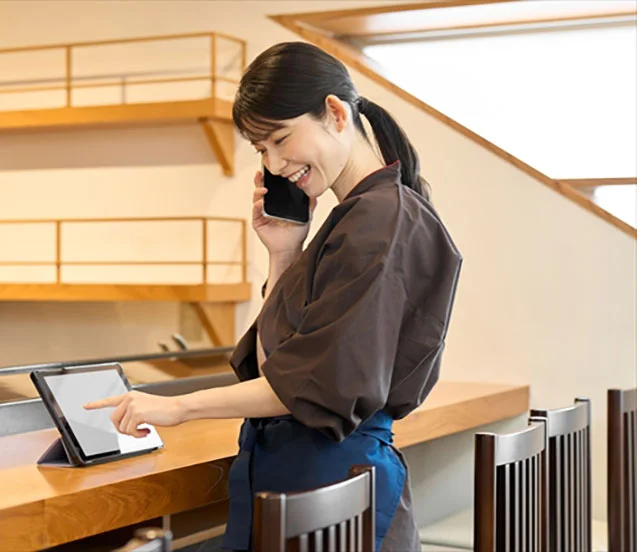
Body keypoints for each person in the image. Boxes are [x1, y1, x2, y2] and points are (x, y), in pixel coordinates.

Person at [84, 41, 463, 551]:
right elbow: (279, 368)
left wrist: (181, 407)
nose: (276, 163)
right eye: (262, 150)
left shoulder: (379, 221)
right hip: (313, 482)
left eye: (281, 139)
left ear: (334, 113)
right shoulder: (360, 217)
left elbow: (312, 388)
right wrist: (283, 253)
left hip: (329, 489)